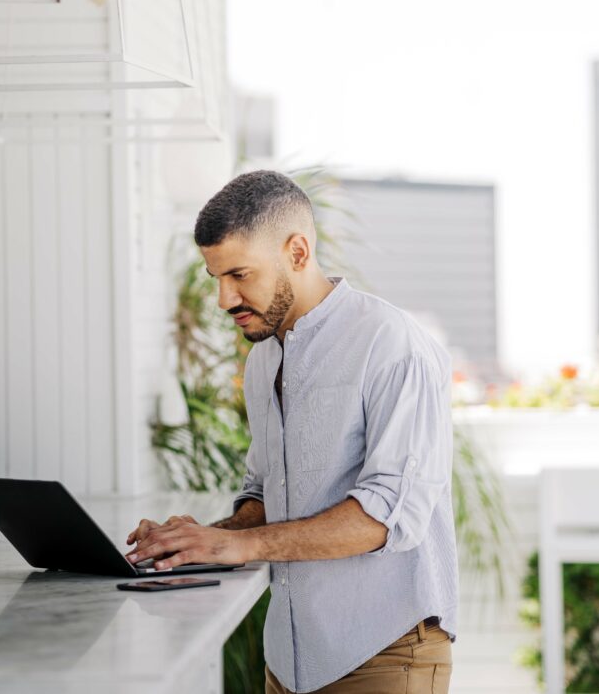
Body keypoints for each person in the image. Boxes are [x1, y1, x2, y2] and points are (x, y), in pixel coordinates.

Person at [125, 170, 459, 693]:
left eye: (239, 275)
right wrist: (202, 541)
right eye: (216, 278)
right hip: (287, 659)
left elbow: (385, 516)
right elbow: (265, 494)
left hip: (384, 655)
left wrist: (239, 547)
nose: (223, 299)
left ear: (298, 252)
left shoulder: (392, 346)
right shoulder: (262, 362)